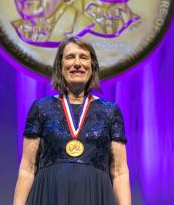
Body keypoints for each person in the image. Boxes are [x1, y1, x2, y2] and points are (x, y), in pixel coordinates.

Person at [13, 37, 131, 205]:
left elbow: (119, 171)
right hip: (49, 195)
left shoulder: (110, 111)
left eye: (83, 57)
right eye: (70, 57)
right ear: (60, 66)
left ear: (93, 66)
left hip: (96, 196)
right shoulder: (41, 108)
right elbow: (27, 168)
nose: (77, 63)